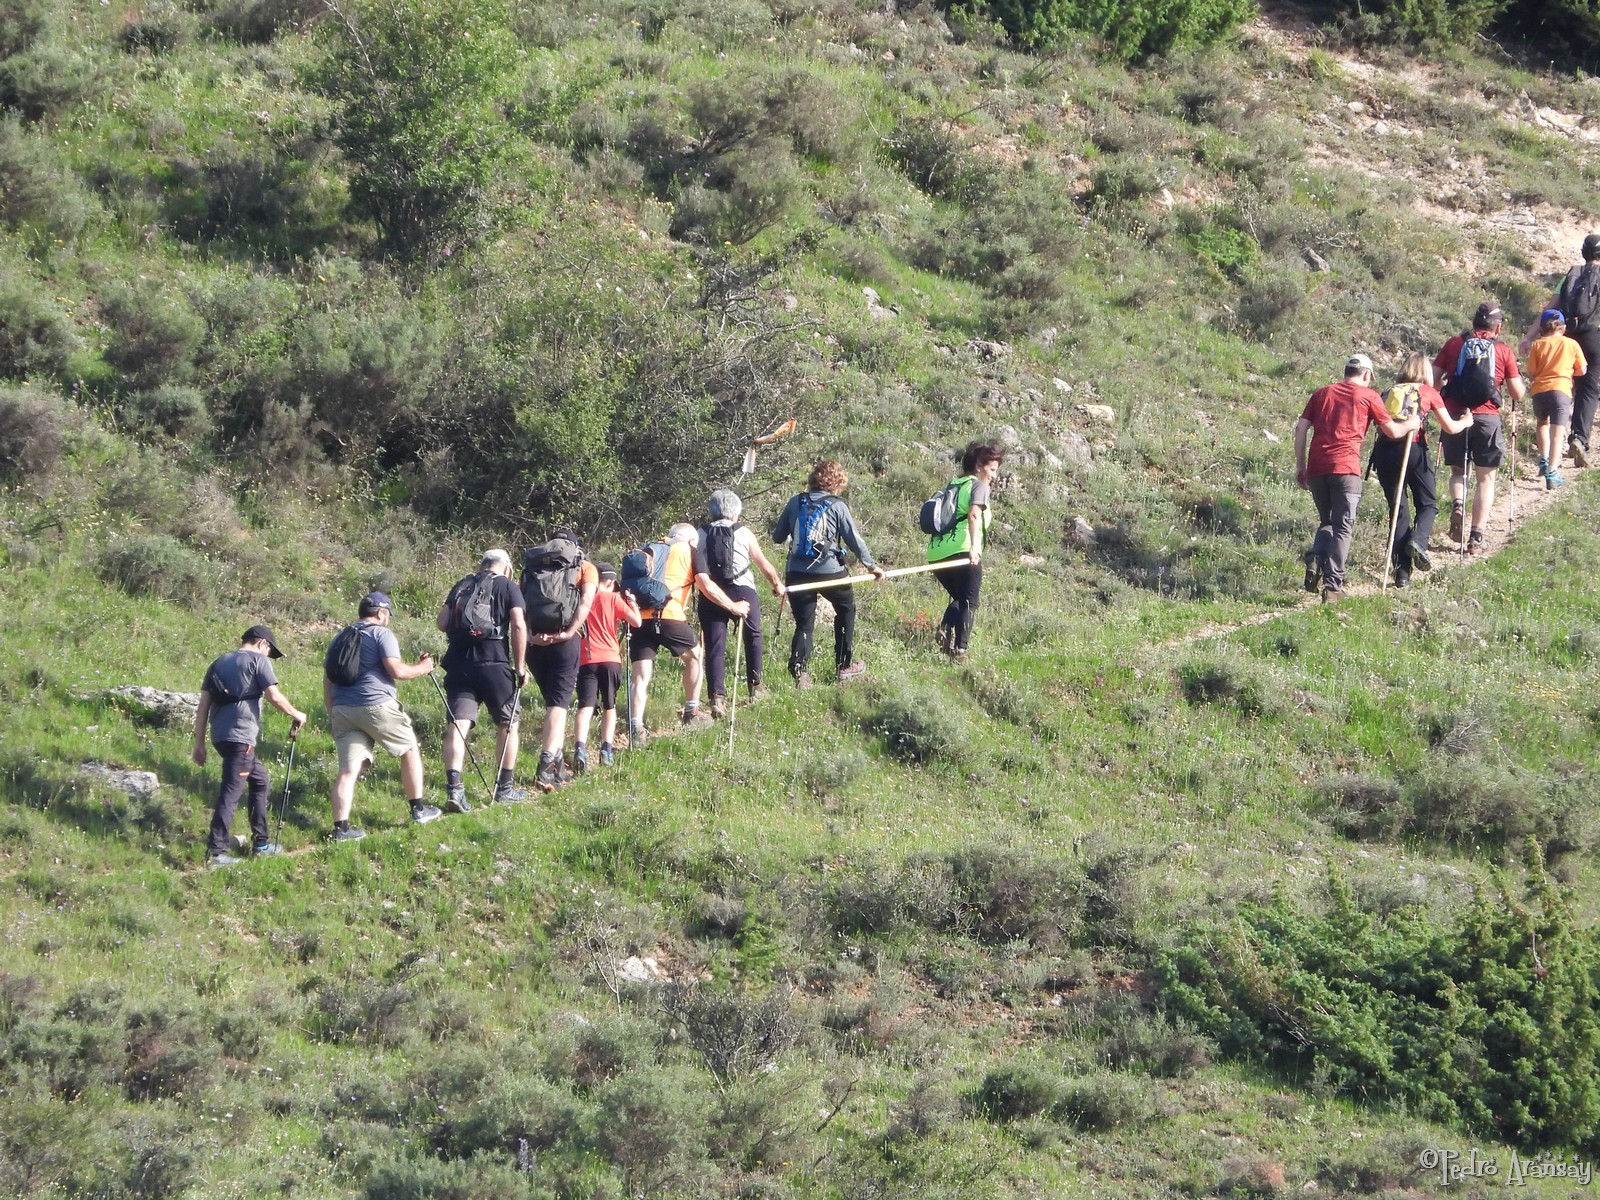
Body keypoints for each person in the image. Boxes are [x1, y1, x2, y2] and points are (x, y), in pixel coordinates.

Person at [1294, 354, 1418, 602]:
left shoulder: (1322, 393)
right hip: (1346, 470)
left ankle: (1316, 558)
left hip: (1317, 468)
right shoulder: (1368, 396)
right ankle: (1333, 586)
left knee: (1327, 522)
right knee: (1343, 527)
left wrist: (1300, 465)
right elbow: (1392, 431)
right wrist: (1411, 423)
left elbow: (1301, 427)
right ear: (1367, 374)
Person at [324, 592, 439, 841]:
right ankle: (419, 810)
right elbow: (395, 670)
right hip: (376, 705)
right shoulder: (381, 633)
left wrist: (332, 711)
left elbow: (328, 679)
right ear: (381, 613)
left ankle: (341, 829)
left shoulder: (339, 637)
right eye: (388, 615)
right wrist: (423, 668)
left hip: (342, 710)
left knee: (348, 770)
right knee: (409, 749)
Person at [192, 625, 307, 867]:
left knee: (260, 780)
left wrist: (199, 744)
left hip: (221, 737)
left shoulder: (218, 662)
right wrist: (297, 714)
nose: (268, 656)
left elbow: (203, 706)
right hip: (241, 737)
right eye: (269, 651)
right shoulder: (257, 661)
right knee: (231, 792)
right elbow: (274, 697)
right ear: (262, 643)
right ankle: (216, 853)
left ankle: (261, 843)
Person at [627, 523, 748, 742]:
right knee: (695, 656)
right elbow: (707, 587)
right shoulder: (690, 551)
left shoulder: (649, 548)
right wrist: (733, 606)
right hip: (669, 614)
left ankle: (636, 727)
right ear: (692, 540)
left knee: (640, 675)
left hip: (639, 618)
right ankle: (691, 713)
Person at [771, 460, 885, 686]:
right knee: (846, 609)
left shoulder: (796, 502)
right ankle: (844, 665)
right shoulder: (837, 505)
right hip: (830, 572)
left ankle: (800, 670)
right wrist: (872, 566)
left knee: (804, 623)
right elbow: (854, 540)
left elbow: (777, 536)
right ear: (838, 482)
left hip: (797, 572)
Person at [436, 548, 529, 808]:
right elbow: (519, 624)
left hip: (458, 663)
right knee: (508, 722)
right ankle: (505, 789)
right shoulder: (508, 586)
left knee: (458, 723)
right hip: (493, 662)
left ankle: (455, 789)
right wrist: (520, 666)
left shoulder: (462, 585)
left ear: (482, 565)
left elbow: (442, 622)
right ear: (507, 567)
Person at [1433, 302, 1526, 555]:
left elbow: (1432, 378)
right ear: (1498, 326)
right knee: (1486, 478)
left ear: (1474, 322)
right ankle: (1475, 537)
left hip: (1454, 414)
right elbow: (1517, 392)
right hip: (1487, 418)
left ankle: (1458, 504)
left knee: (1457, 470)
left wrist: (1448, 384)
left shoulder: (1454, 343)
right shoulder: (1503, 350)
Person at [1371, 355, 1471, 588]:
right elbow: (1451, 427)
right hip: (1413, 447)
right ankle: (1418, 541)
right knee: (1428, 504)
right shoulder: (1427, 392)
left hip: (1384, 452)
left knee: (1399, 511)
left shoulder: (1387, 392)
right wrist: (1466, 421)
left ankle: (1401, 575)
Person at [522, 530, 599, 791]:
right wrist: (567, 632)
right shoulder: (584, 566)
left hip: (535, 643)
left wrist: (531, 636)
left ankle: (558, 765)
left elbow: (521, 606)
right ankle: (545, 766)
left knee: (553, 703)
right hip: (565, 642)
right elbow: (586, 602)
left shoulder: (533, 567)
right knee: (559, 704)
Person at [697, 489, 786, 715]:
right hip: (742, 589)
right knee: (753, 635)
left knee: (715, 644)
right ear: (736, 512)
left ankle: (717, 698)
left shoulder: (701, 533)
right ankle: (755, 686)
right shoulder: (743, 532)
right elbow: (763, 564)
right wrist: (777, 585)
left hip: (713, 592)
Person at [927, 442, 1003, 661]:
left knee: (960, 599)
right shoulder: (979, 486)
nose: (994, 476)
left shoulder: (954, 485)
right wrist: (973, 548)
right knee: (970, 601)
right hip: (963, 548)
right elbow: (973, 515)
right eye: (992, 469)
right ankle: (960, 650)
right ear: (979, 466)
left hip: (936, 552)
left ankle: (948, 637)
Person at [573, 562, 640, 771]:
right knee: (609, 706)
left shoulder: (581, 599)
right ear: (611, 582)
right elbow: (636, 622)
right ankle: (606, 750)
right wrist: (633, 603)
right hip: (610, 658)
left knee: (585, 706)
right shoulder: (614, 599)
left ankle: (580, 749)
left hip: (587, 658)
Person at [1525, 309, 1588, 489]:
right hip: (1561, 390)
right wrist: (1569, 373)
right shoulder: (1571, 344)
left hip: (1540, 390)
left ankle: (1544, 460)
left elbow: (1532, 371)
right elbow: (1582, 370)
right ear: (1563, 326)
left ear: (1542, 328)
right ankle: (1552, 473)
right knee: (1557, 432)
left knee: (1542, 423)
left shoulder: (1537, 345)